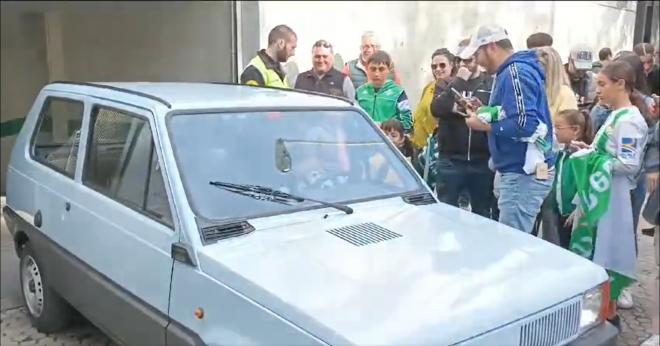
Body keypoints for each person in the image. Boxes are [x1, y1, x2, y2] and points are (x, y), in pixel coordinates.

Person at [564, 60, 649, 329]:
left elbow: (629, 163)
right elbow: (608, 153)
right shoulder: (616, 114)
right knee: (597, 251)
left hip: (611, 200)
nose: (596, 89)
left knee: (606, 253)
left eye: (602, 84)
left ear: (620, 84)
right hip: (601, 195)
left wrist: (593, 160)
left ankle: (605, 316)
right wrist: (589, 150)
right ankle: (595, 312)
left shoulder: (630, 120)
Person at [461, 24, 556, 233]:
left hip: (522, 173)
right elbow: (514, 114)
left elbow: (525, 124)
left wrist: (484, 125)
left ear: (492, 46)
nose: (476, 60)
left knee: (514, 243)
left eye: (477, 53)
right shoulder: (512, 71)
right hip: (521, 170)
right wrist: (485, 110)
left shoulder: (515, 72)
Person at [430, 39, 494, 218]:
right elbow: (436, 108)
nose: (464, 64)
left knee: (482, 213)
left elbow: (495, 113)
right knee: (445, 213)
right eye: (461, 60)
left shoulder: (489, 84)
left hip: (481, 160)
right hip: (451, 159)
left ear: (478, 59)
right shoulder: (446, 83)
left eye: (469, 60)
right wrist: (459, 81)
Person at [530, 46, 579, 239]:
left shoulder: (564, 94)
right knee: (532, 212)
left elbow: (567, 129)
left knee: (549, 211)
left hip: (551, 160)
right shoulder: (535, 90)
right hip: (532, 160)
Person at [550, 109, 594, 248]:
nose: (554, 131)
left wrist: (578, 210)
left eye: (558, 127)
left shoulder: (582, 157)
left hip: (575, 216)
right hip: (561, 213)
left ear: (575, 130)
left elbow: (586, 186)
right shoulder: (560, 153)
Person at [356, 51, 413, 133]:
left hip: (388, 142)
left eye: (381, 69)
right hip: (364, 141)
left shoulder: (398, 92)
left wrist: (384, 126)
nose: (376, 74)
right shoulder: (359, 92)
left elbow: (408, 124)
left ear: (388, 70)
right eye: (373, 69)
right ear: (367, 69)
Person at [410, 48, 455, 150]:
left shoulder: (455, 88)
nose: (438, 69)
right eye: (434, 66)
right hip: (419, 146)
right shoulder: (429, 86)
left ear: (451, 65)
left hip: (436, 149)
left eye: (442, 65)